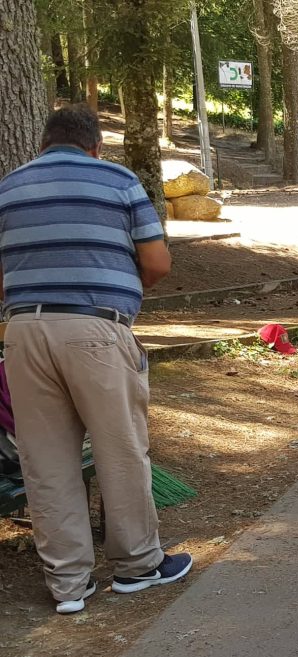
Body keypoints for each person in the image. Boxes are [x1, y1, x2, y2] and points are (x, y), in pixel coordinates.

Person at [0, 104, 193, 614]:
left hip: (22, 331)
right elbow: (156, 262)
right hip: (96, 329)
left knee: (44, 461)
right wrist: (122, 291)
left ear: (42, 143)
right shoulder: (118, 179)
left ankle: (68, 585)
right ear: (95, 145)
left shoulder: (9, 187)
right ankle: (137, 566)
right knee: (120, 450)